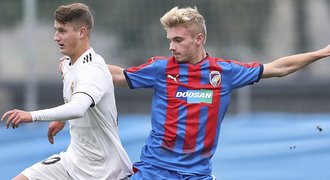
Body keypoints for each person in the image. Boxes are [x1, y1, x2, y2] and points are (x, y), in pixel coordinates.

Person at [52, 6, 330, 180]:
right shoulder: (161, 69)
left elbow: (278, 68)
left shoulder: (224, 72)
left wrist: (323, 52)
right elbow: (112, 76)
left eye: (178, 40)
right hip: (154, 172)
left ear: (199, 40)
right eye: (169, 40)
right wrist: (76, 66)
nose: (171, 46)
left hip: (197, 174)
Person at [1, 3, 132, 180]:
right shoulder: (68, 64)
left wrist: (31, 116)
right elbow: (77, 97)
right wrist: (61, 117)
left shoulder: (93, 70)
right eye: (56, 30)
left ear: (82, 33)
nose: (56, 37)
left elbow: (78, 108)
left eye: (62, 31)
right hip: (72, 163)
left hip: (105, 173)